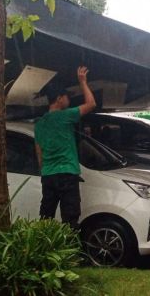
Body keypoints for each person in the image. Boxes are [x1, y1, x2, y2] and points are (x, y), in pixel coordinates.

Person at [35, 66, 96, 229]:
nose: (68, 101)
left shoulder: (40, 124)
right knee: (70, 219)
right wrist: (82, 82)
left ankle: (45, 249)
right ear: (59, 98)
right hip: (67, 174)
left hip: (48, 175)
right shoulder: (66, 116)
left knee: (46, 216)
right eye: (67, 97)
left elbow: (39, 153)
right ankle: (68, 249)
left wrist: (45, 171)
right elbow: (91, 104)